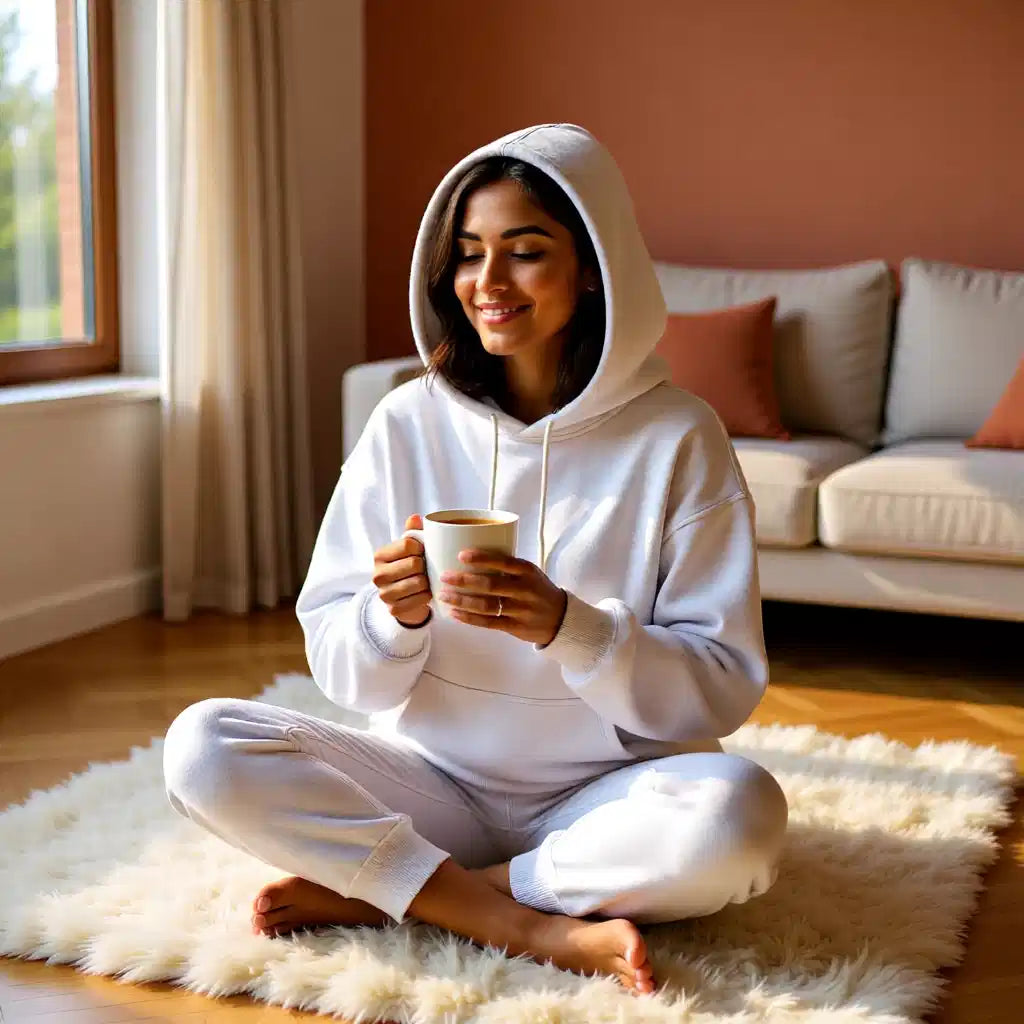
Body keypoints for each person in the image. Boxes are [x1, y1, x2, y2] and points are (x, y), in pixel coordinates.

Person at [162, 123, 788, 996]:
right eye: (467, 255)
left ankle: (416, 894)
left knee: (740, 816)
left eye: (524, 253)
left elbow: (723, 681)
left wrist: (574, 628)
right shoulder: (405, 421)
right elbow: (348, 673)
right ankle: (521, 921)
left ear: (593, 266)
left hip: (609, 792)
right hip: (431, 783)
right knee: (202, 747)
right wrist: (394, 618)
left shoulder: (679, 437)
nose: (487, 284)